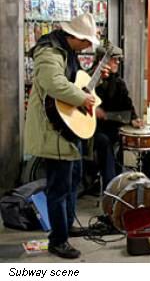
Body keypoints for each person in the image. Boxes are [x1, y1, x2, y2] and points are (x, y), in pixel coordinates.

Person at [24, 13, 102, 259]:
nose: (88, 46)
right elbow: (54, 83)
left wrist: (92, 82)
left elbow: (75, 81)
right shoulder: (49, 52)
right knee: (59, 187)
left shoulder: (67, 52)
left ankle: (66, 227)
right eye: (86, 42)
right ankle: (58, 240)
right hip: (53, 130)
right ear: (75, 37)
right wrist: (83, 98)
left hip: (67, 130)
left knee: (72, 180)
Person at [93, 44, 150, 190]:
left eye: (118, 60)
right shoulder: (89, 80)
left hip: (117, 127)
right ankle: (112, 191)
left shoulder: (118, 82)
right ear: (101, 62)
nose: (117, 62)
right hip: (94, 130)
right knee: (104, 143)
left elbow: (127, 104)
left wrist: (135, 118)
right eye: (114, 59)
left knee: (147, 145)